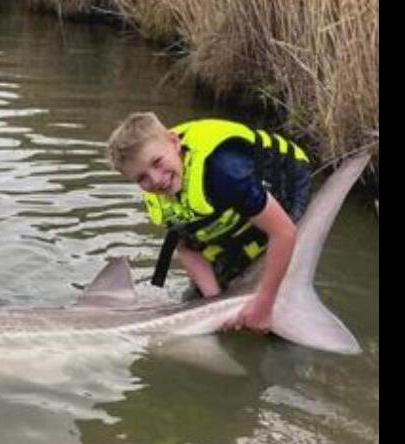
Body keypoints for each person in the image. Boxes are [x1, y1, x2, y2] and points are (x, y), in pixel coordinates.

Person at [106, 112, 311, 333]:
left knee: (266, 306)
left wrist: (264, 304)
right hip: (231, 202)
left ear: (174, 142)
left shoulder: (225, 170)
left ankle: (285, 309)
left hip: (282, 188)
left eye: (157, 162)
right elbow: (187, 248)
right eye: (141, 178)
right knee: (195, 301)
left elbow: (284, 233)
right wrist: (214, 304)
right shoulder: (160, 196)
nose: (156, 180)